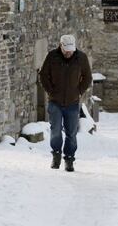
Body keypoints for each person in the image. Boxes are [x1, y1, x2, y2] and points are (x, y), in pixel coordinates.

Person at [39, 34, 92, 172]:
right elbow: (43, 75)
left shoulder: (81, 58)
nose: (69, 52)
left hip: (72, 103)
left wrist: (79, 91)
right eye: (66, 49)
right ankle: (56, 155)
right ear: (61, 46)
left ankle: (69, 159)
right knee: (55, 130)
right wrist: (50, 91)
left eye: (71, 50)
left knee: (71, 133)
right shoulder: (52, 57)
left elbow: (87, 77)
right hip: (55, 101)